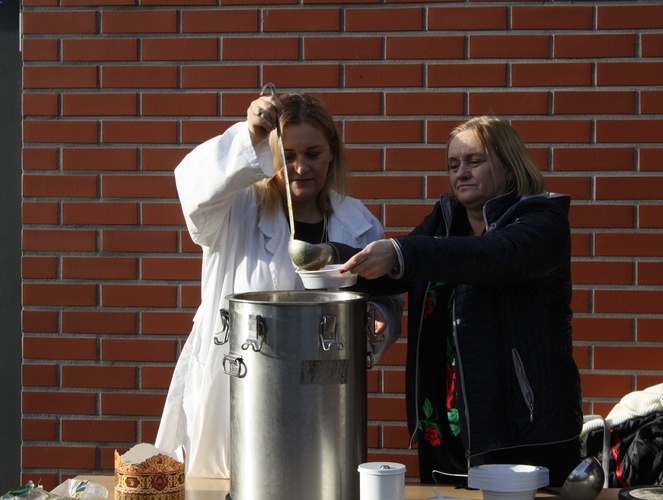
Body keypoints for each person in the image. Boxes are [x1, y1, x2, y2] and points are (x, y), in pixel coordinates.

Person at [155, 91, 402, 478]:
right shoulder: (235, 209)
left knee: (317, 479)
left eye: (313, 154)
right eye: (286, 155)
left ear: (332, 153)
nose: (300, 168)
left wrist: (379, 319)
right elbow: (193, 189)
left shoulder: (359, 224)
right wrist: (249, 133)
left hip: (322, 398)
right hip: (236, 386)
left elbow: (381, 297)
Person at [337, 116, 583, 486]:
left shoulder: (541, 220)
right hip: (445, 427)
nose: (461, 173)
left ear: (510, 167)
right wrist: (333, 258)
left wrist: (403, 251)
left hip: (524, 431)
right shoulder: (443, 223)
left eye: (475, 161)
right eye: (453, 165)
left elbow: (488, 256)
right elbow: (390, 270)